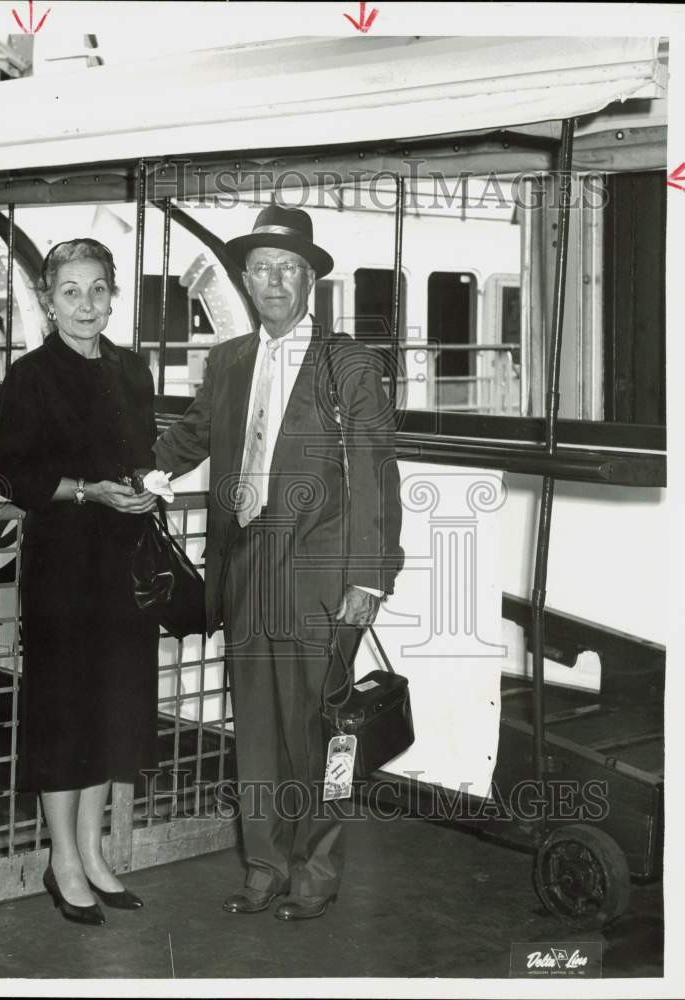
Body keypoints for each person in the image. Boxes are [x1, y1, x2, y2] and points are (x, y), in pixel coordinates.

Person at [152, 205, 403, 921]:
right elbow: (194, 435)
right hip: (246, 570)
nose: (272, 282)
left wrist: (367, 578)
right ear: (246, 278)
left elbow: (375, 471)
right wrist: (146, 477)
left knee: (322, 736)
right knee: (256, 733)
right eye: (260, 269)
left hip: (321, 579)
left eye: (287, 269)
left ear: (310, 279)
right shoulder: (229, 361)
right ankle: (263, 869)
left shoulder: (347, 362)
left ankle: (316, 875)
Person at [0, 238, 160, 926]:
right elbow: (15, 475)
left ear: (112, 295)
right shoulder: (30, 375)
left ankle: (93, 854)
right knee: (65, 714)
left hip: (121, 562)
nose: (86, 304)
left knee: (108, 709)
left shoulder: (130, 369)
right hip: (64, 565)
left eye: (98, 289)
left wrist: (148, 488)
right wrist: (91, 492)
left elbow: (143, 452)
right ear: (46, 299)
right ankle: (62, 862)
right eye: (70, 292)